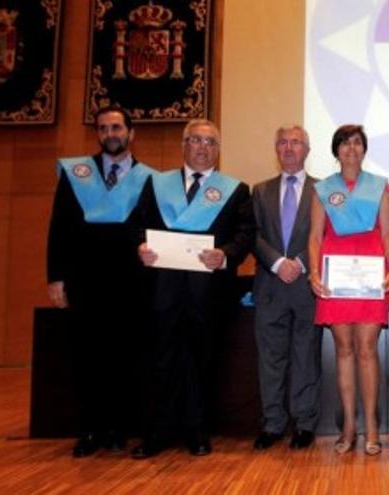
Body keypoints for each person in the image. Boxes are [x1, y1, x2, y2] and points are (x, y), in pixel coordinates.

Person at [132, 119, 256, 458]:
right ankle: (156, 433)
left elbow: (245, 234)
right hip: (161, 291)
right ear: (183, 144)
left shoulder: (235, 189)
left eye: (210, 142)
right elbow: (136, 226)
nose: (203, 147)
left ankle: (197, 431)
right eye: (196, 140)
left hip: (209, 293)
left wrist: (226, 254)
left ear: (218, 149)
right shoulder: (156, 184)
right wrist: (141, 246)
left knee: (202, 361)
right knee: (160, 360)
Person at [47, 105, 155, 457]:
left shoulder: (150, 178)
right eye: (104, 128)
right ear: (98, 134)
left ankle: (119, 429)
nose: (111, 133)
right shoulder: (76, 173)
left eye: (117, 127)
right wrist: (56, 278)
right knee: (87, 357)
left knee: (127, 356)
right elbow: (59, 228)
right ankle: (90, 430)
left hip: (131, 283)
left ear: (131, 133)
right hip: (85, 281)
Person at [308, 125, 389, 456]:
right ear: (336, 150)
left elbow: (387, 232)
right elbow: (315, 236)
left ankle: (372, 427)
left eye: (357, 142)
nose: (351, 148)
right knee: (343, 349)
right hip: (336, 275)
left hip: (371, 272)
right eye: (344, 143)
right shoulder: (323, 189)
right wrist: (314, 273)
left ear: (364, 149)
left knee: (367, 349)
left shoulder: (379, 186)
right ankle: (349, 427)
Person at [251, 125, 321, 451]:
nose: (289, 148)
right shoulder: (259, 191)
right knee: (271, 359)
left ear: (307, 149)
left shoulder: (323, 190)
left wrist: (302, 263)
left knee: (306, 356)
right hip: (270, 284)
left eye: (295, 142)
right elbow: (253, 235)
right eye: (282, 143)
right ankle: (273, 423)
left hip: (308, 286)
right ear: (275, 150)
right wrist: (279, 263)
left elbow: (326, 235)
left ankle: (305, 424)